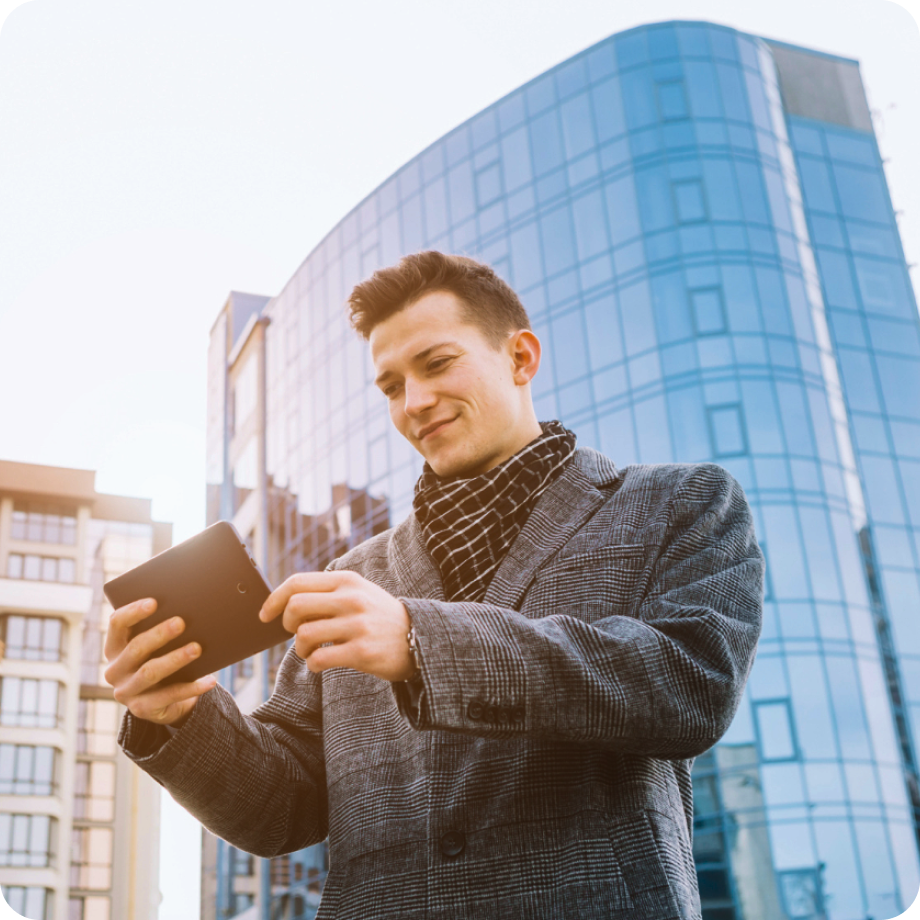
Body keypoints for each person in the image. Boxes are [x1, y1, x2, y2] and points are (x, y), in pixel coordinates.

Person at [105, 251, 764, 919]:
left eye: (437, 363)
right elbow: (283, 810)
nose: (413, 402)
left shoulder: (679, 504)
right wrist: (181, 716)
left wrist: (424, 643)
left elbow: (692, 683)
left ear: (522, 358)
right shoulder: (352, 576)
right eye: (390, 386)